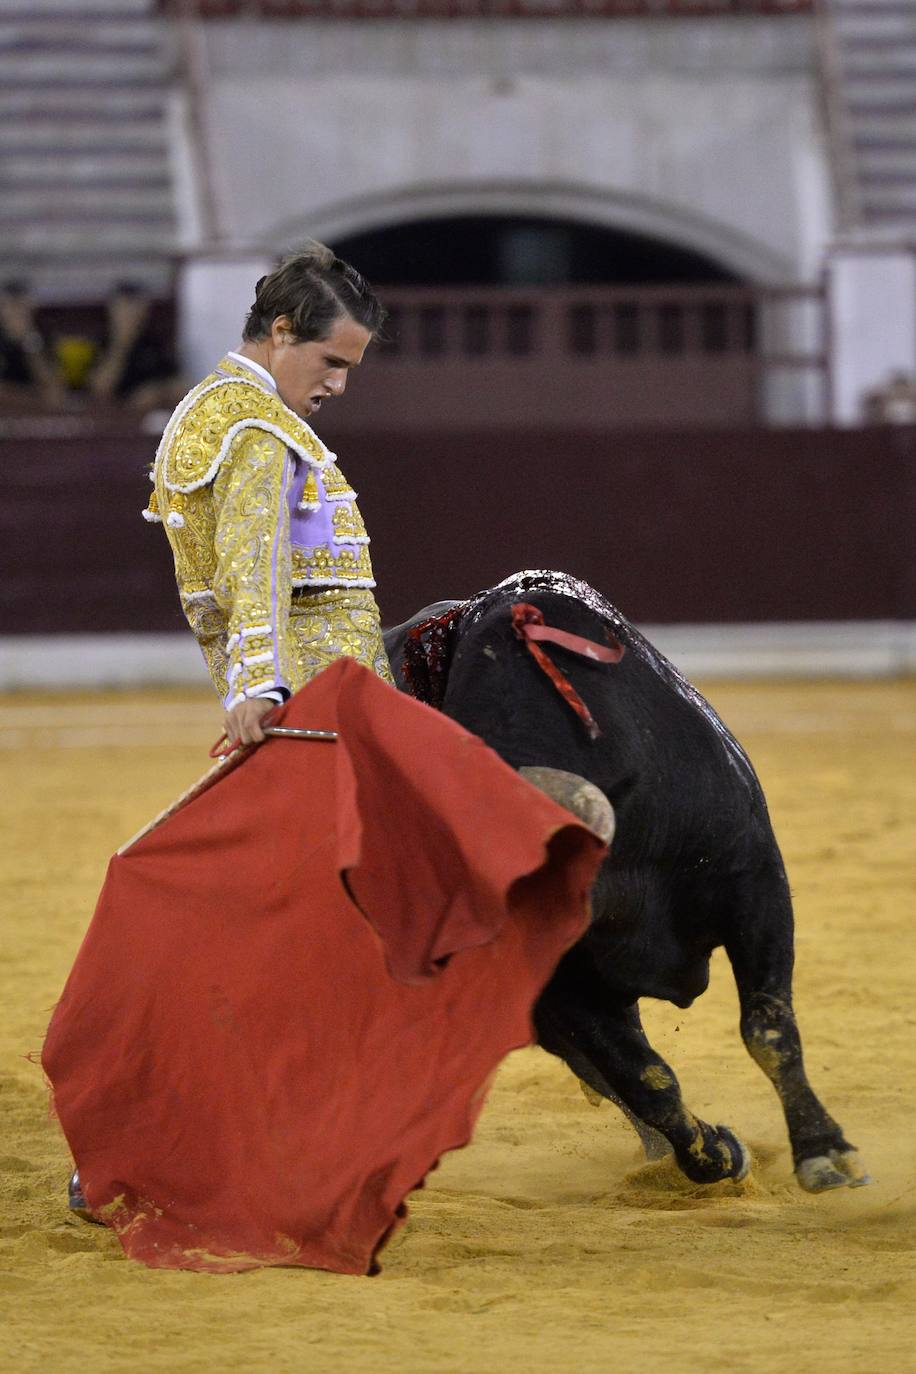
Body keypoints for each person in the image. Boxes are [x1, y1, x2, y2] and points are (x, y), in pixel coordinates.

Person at [145, 243, 394, 745]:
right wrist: (261, 684)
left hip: (315, 684)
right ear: (282, 331)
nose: (339, 385)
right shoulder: (259, 428)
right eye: (331, 361)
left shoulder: (217, 404)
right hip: (318, 691)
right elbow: (253, 561)